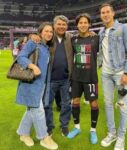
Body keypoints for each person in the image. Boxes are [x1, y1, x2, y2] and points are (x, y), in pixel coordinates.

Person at [16, 22, 58, 150]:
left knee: (31, 111)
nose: (49, 33)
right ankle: (44, 137)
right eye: (46, 31)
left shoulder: (46, 47)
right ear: (40, 32)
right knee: (38, 110)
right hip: (30, 84)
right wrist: (33, 66)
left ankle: (23, 134)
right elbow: (20, 57)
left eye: (51, 31)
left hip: (41, 85)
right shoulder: (33, 43)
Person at [99, 3, 127, 150]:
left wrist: (126, 72)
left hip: (120, 73)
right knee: (107, 104)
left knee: (122, 106)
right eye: (102, 13)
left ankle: (121, 137)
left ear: (113, 13)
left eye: (107, 12)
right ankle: (112, 133)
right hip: (106, 74)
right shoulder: (101, 31)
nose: (105, 15)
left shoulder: (123, 28)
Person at [67, 13, 99, 144]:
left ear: (89, 24)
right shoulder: (73, 39)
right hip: (76, 77)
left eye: (85, 22)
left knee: (94, 103)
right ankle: (77, 128)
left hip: (91, 77)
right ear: (77, 25)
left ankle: (93, 131)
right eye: (81, 23)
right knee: (75, 101)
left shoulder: (96, 38)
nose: (83, 25)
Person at [44, 15, 73, 136]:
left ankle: (64, 126)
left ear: (67, 26)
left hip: (66, 79)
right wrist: (33, 36)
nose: (61, 26)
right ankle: (49, 127)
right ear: (54, 25)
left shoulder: (71, 38)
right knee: (47, 105)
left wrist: (91, 33)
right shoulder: (49, 37)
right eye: (59, 24)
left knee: (66, 105)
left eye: (64, 24)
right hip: (50, 79)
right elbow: (39, 38)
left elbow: (84, 37)